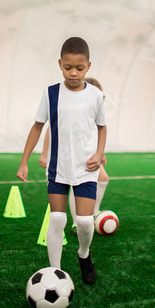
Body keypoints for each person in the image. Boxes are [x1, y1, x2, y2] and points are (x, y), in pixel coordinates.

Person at [16, 37, 107, 284]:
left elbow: (102, 127)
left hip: (86, 168)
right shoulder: (51, 93)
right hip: (58, 168)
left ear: (88, 66)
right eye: (68, 67)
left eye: (79, 68)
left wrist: (99, 153)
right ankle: (55, 272)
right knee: (57, 218)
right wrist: (24, 161)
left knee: (86, 223)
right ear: (60, 64)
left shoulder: (96, 95)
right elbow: (37, 127)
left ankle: (84, 254)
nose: (74, 73)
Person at [39, 77, 110, 235]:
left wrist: (100, 152)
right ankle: (77, 221)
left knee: (103, 178)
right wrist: (44, 153)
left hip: (87, 153)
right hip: (67, 154)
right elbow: (50, 129)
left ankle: (92, 213)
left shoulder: (94, 105)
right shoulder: (69, 105)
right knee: (76, 183)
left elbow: (96, 130)